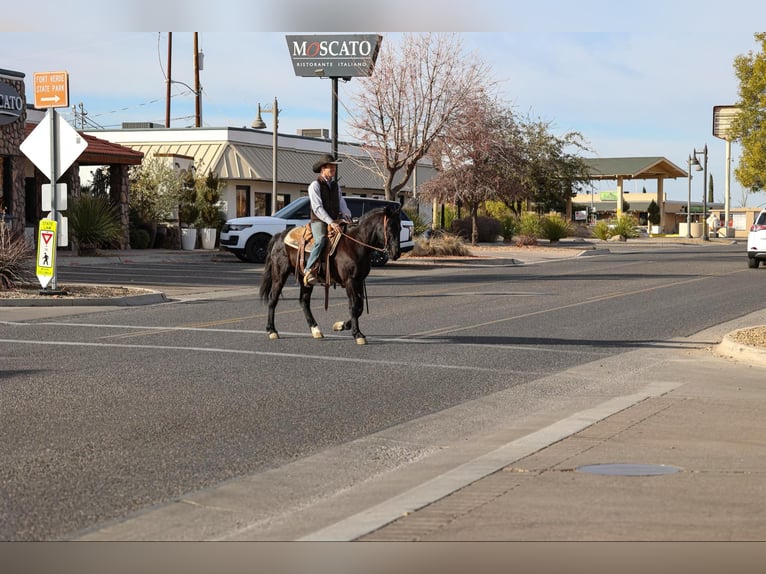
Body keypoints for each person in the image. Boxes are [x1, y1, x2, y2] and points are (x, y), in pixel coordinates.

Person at [303, 154, 352, 286]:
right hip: (319, 221)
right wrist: (330, 222)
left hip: (335, 219)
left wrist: (347, 215)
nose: (334, 170)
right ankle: (309, 269)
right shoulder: (315, 185)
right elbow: (317, 207)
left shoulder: (336, 186)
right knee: (321, 240)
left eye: (334, 167)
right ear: (323, 169)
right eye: (331, 167)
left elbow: (342, 203)